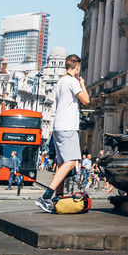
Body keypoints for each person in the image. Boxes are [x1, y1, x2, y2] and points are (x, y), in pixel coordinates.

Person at [37, 54, 92, 213]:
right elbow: (86, 100)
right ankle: (46, 196)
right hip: (68, 127)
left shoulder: (61, 82)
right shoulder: (72, 81)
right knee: (71, 161)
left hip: (58, 127)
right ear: (77, 67)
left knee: (61, 164)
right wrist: (83, 85)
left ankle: (58, 200)